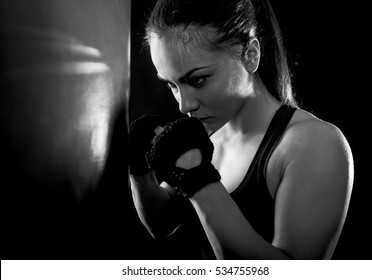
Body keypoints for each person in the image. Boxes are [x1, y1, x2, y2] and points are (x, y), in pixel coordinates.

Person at [129, 0, 354, 260]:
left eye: (198, 80)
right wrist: (139, 168)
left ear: (250, 55)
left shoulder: (313, 143)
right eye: (172, 85)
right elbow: (162, 223)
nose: (184, 105)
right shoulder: (209, 135)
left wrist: (198, 180)